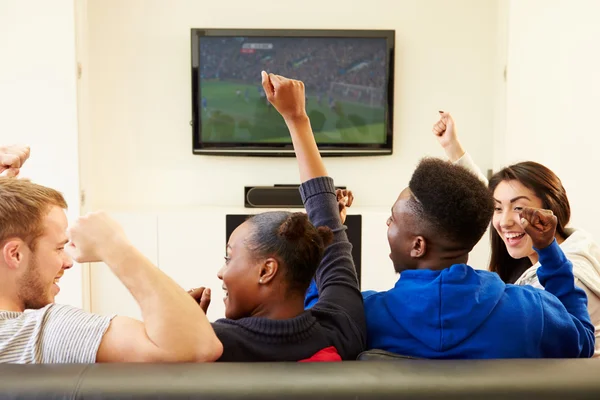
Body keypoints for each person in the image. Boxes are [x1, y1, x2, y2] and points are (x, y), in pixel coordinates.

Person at [305, 155, 594, 358]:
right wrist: (550, 254)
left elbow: (317, 319)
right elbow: (583, 338)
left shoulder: (364, 317)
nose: (388, 225)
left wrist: (322, 249)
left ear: (418, 246)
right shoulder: (531, 313)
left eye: (392, 219)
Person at [190, 72, 365, 362]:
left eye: (229, 257)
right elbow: (331, 239)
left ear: (267, 270)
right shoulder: (344, 326)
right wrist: (298, 118)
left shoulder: (210, 345)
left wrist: (185, 326)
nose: (221, 272)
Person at [0, 146, 222, 363]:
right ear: (15, 254)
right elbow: (201, 347)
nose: (67, 262)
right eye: (59, 248)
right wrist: (114, 246)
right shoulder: (41, 334)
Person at [433, 111, 600, 356]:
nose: (504, 221)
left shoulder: (569, 277)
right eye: (497, 209)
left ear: (550, 211)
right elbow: (492, 198)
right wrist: (452, 148)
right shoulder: (575, 244)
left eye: (519, 208)